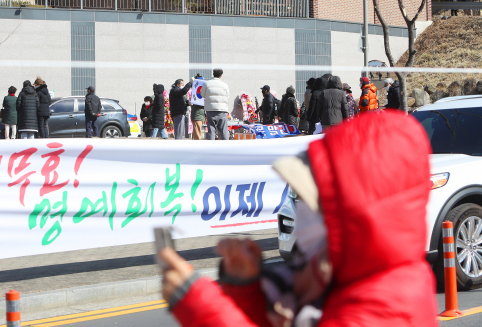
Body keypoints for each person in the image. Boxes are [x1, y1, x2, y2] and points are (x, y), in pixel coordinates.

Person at [159, 111, 437, 327]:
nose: (300, 209)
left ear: (358, 218)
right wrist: (246, 289)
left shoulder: (387, 306)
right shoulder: (348, 277)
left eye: (313, 202)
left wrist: (198, 306)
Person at [203, 69, 230, 140]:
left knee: (211, 129)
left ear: (213, 74)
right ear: (221, 75)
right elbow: (227, 96)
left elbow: (202, 94)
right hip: (222, 109)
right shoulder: (225, 85)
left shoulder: (206, 83)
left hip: (210, 108)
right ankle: (226, 147)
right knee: (223, 130)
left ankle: (211, 147)